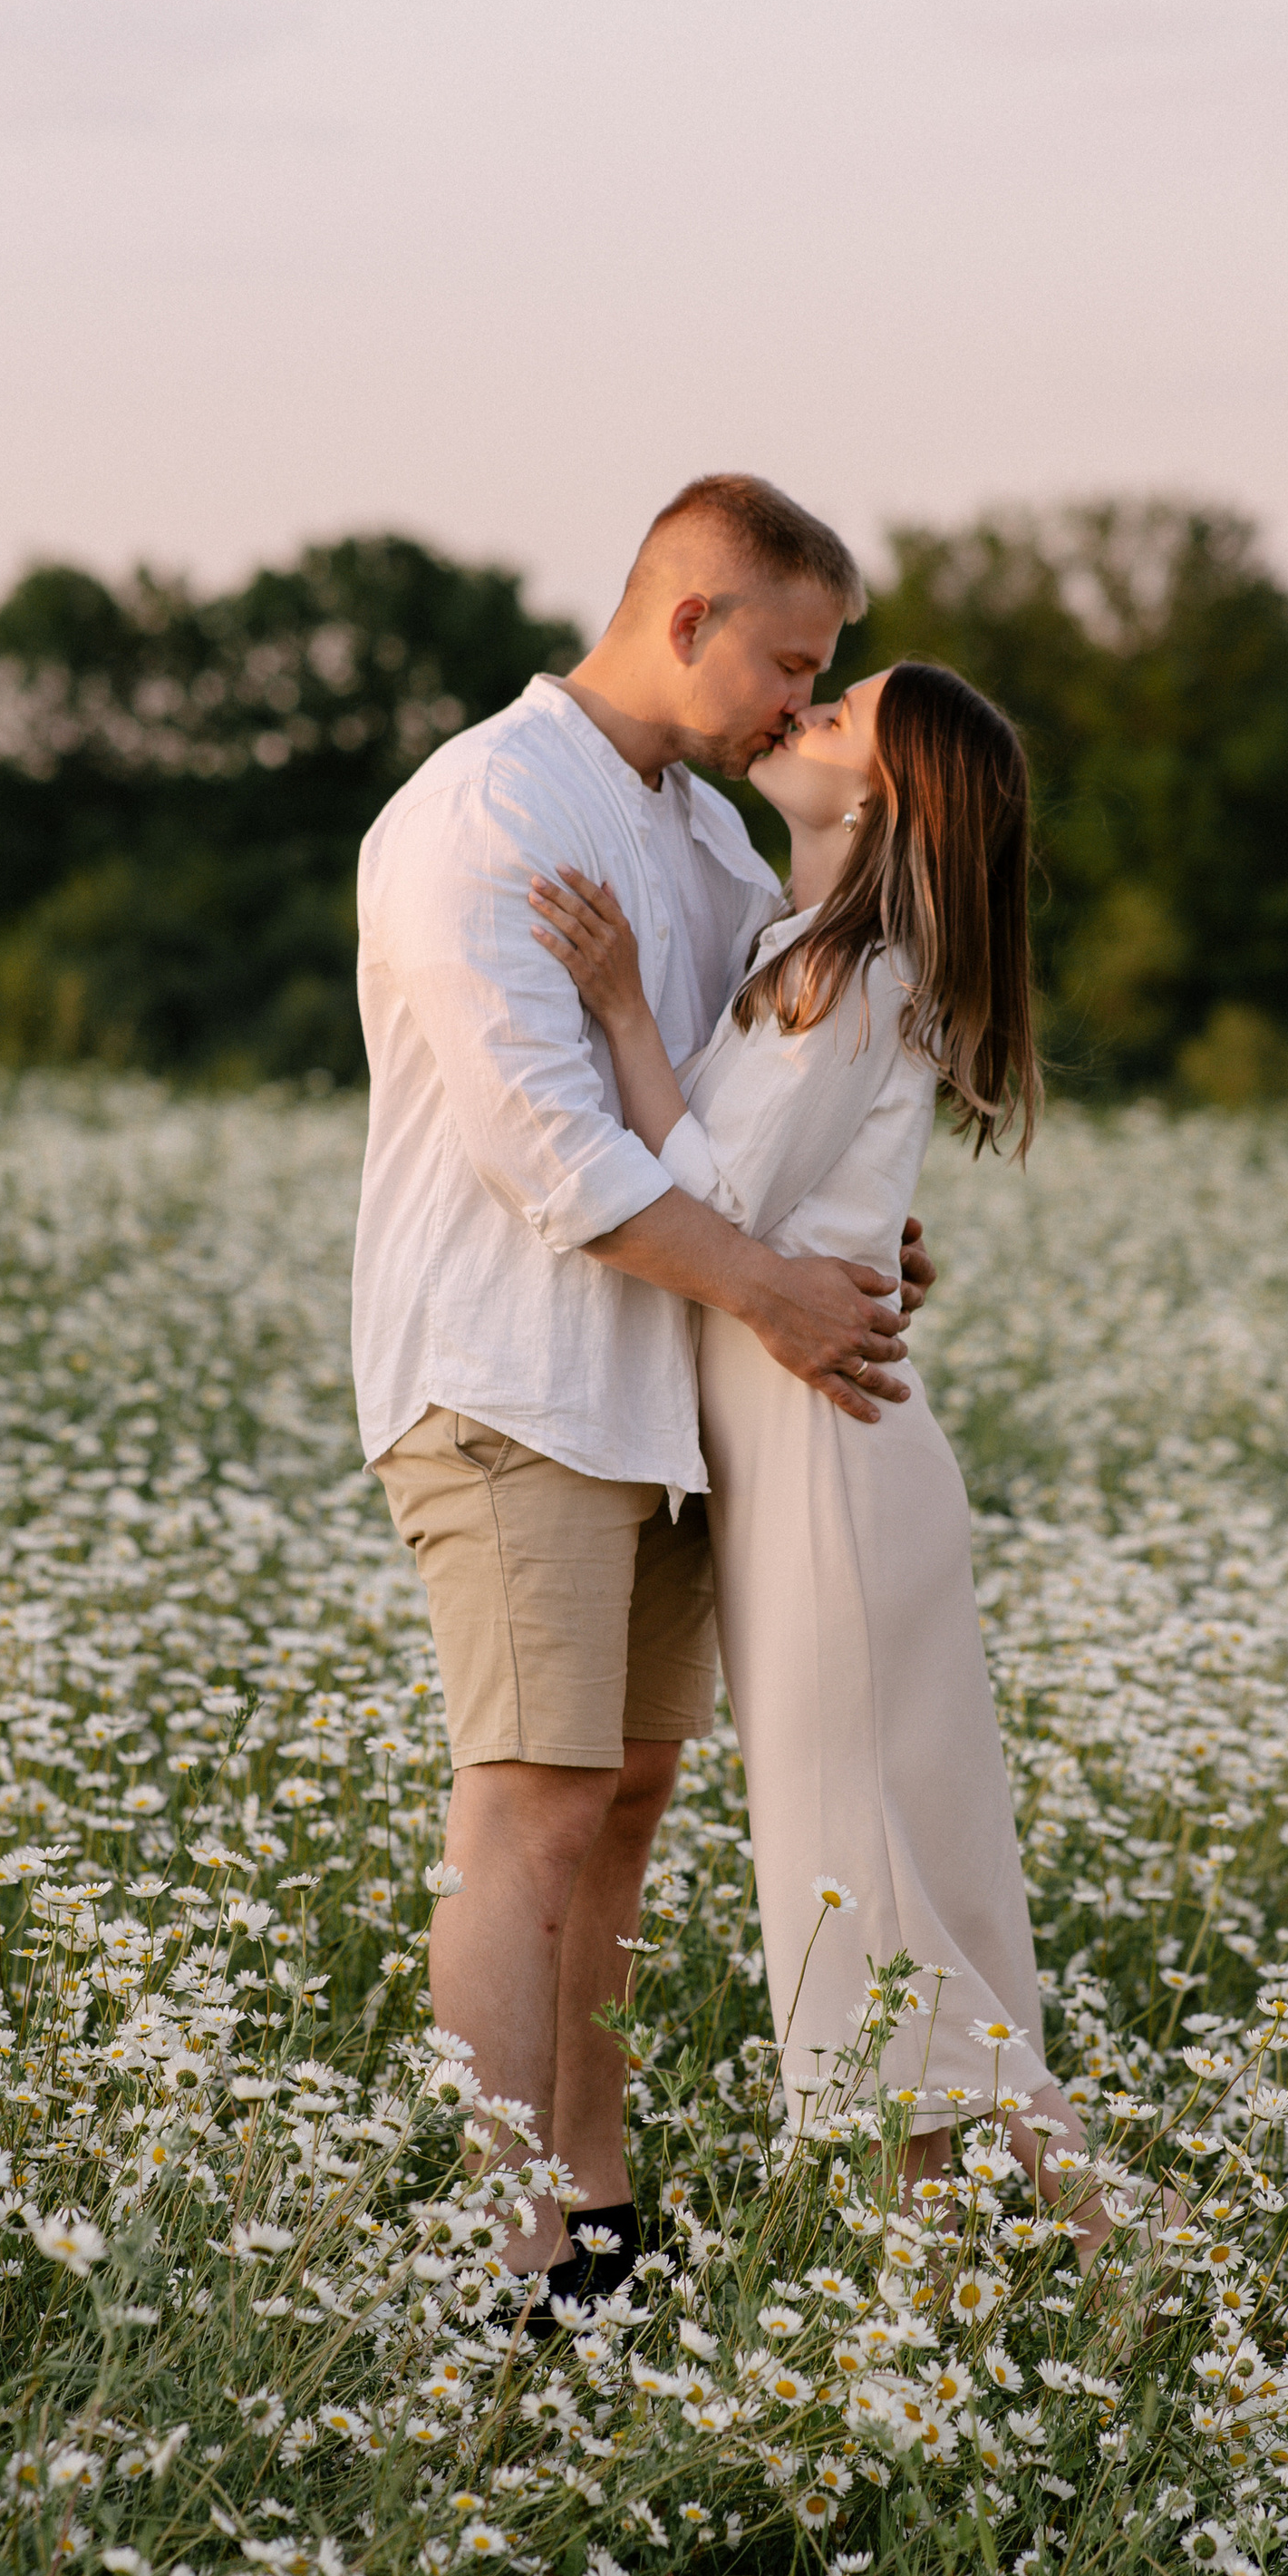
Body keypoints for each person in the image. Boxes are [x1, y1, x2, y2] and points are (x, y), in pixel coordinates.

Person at [351, 475, 936, 2313]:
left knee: (620, 1814)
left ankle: (596, 2214)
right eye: (788, 662)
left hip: (677, 1396)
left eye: (818, 673)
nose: (796, 702)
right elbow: (551, 1156)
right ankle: (502, 2250)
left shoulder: (704, 848)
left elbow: (734, 1123)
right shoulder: (482, 810)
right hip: (513, 1382)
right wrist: (773, 1289)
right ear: (687, 620)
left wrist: (847, 1248)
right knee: (523, 1811)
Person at [528, 660, 1138, 2278]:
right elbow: (796, 1210)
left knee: (859, 1873)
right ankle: (969, 2286)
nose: (798, 719)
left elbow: (708, 1190)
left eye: (835, 714)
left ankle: (1105, 2266)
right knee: (883, 1874)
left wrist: (615, 1012)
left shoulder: (850, 971)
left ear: (878, 797)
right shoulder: (821, 957)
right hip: (828, 1456)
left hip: (825, 1468)